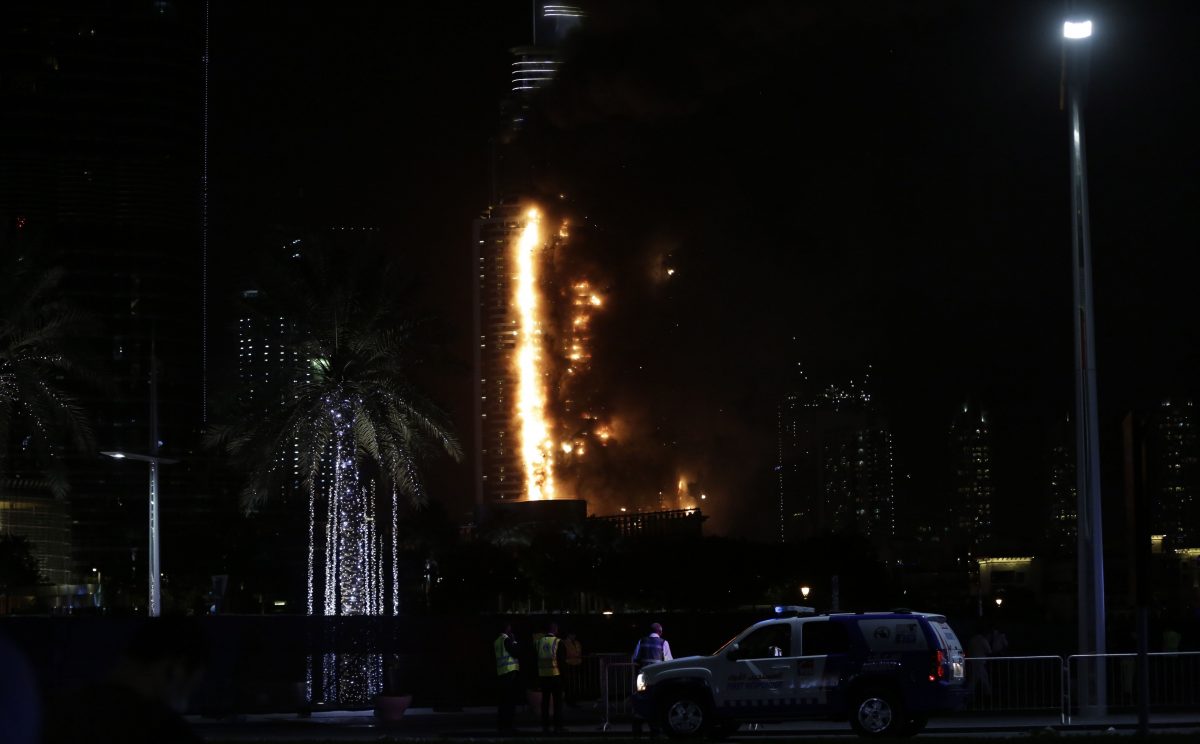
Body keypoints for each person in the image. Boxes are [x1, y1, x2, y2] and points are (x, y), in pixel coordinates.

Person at [43, 618, 208, 744]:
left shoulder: (57, 716)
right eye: (189, 686)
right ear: (174, 670)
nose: (185, 703)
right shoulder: (165, 731)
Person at [632, 622, 673, 736]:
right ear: (660, 632)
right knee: (656, 701)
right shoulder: (664, 642)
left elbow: (634, 658)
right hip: (658, 679)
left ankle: (637, 729)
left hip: (642, 678)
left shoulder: (642, 641)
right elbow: (669, 662)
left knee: (642, 701)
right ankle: (655, 730)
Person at [536, 621, 567, 733]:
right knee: (557, 703)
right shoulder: (558, 642)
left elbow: (535, 660)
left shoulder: (539, 642)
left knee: (545, 702)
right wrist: (564, 679)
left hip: (543, 676)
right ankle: (558, 726)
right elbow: (562, 662)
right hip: (555, 676)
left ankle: (545, 726)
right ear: (555, 630)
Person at [494, 622, 522, 735]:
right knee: (510, 702)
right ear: (507, 628)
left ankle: (501, 725)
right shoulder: (507, 640)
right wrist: (514, 641)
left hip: (501, 673)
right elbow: (516, 652)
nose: (511, 629)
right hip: (510, 674)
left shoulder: (497, 641)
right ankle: (509, 726)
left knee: (503, 702)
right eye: (510, 627)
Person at [562, 631, 583, 706]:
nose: (574, 636)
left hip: (577, 665)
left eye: (574, 634)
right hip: (568, 665)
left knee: (575, 683)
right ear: (569, 634)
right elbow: (565, 654)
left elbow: (579, 652)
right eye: (572, 634)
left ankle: (574, 700)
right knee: (569, 684)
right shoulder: (564, 642)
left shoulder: (577, 642)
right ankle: (569, 700)